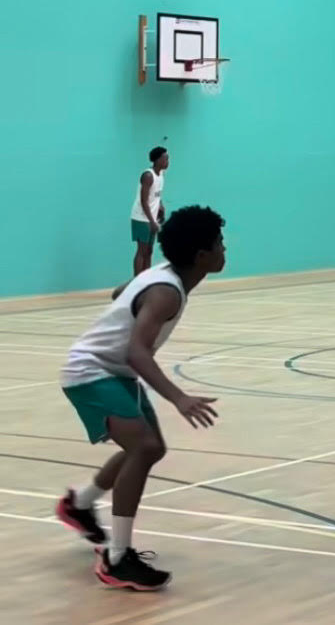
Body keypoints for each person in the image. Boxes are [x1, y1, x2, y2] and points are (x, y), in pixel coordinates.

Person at [55, 206, 226, 590]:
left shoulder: (162, 276)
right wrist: (179, 397)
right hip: (91, 371)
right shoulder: (166, 292)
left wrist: (130, 301)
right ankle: (116, 559)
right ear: (202, 255)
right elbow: (137, 352)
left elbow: (121, 293)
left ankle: (79, 505)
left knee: (150, 448)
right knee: (144, 447)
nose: (224, 249)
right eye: (219, 243)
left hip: (115, 371)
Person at [132, 147, 169, 276]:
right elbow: (144, 200)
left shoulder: (161, 175)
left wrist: (161, 206)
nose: (168, 161)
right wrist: (152, 221)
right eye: (165, 159)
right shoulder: (148, 176)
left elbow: (156, 195)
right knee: (142, 251)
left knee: (149, 251)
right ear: (157, 160)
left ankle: (146, 278)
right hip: (141, 218)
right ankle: (137, 281)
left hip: (152, 218)